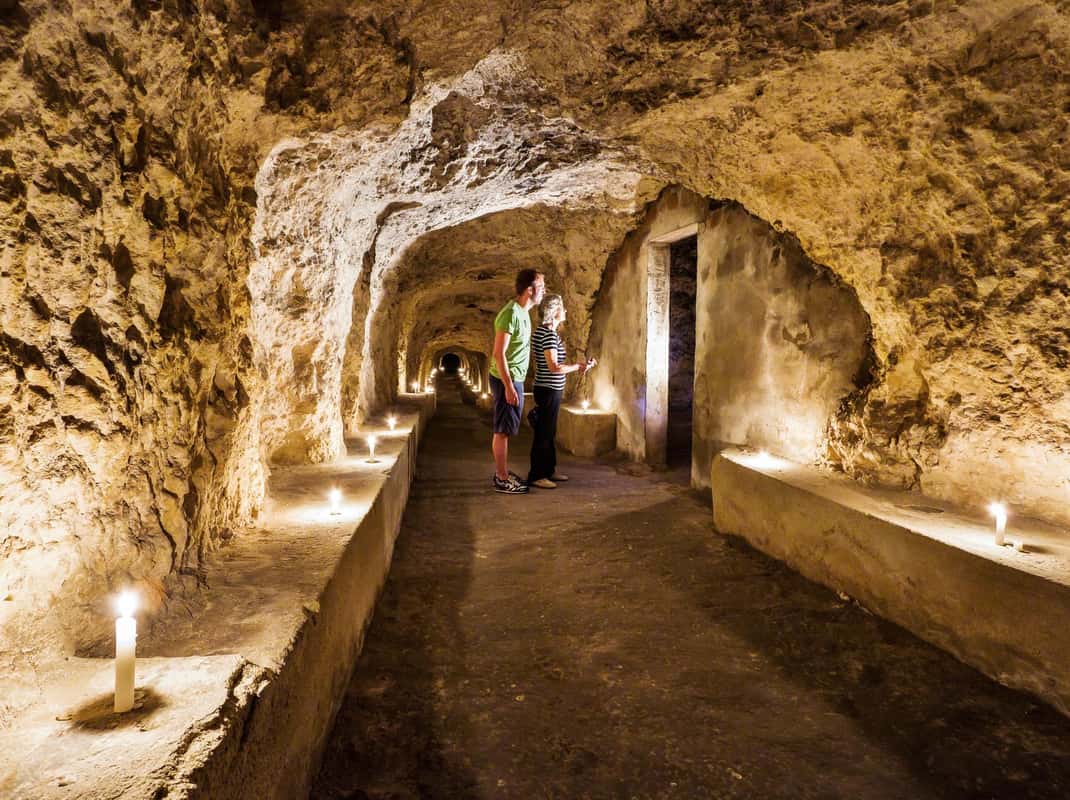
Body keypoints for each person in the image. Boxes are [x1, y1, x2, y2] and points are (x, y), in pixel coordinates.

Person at [527, 294, 596, 489]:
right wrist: (577, 366)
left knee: (549, 431)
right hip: (548, 389)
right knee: (544, 432)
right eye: (563, 308)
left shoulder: (545, 332)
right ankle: (537, 475)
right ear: (555, 311)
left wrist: (581, 366)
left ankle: (548, 470)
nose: (565, 311)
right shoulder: (548, 335)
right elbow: (554, 367)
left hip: (549, 388)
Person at [489, 268, 545, 494]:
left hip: (515, 378)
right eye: (541, 286)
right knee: (502, 430)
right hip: (507, 379)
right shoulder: (511, 313)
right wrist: (509, 386)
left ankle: (502, 473)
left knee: (507, 428)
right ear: (530, 290)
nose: (544, 291)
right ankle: (502, 478)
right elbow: (498, 353)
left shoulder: (524, 313)